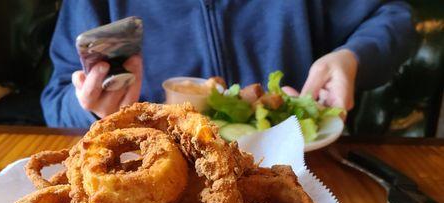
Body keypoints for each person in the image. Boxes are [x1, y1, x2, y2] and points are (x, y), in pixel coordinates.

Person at [41, 0, 415, 128]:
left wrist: (353, 57)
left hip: (303, 173)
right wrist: (90, 109)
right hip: (155, 182)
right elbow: (57, 100)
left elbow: (394, 17)